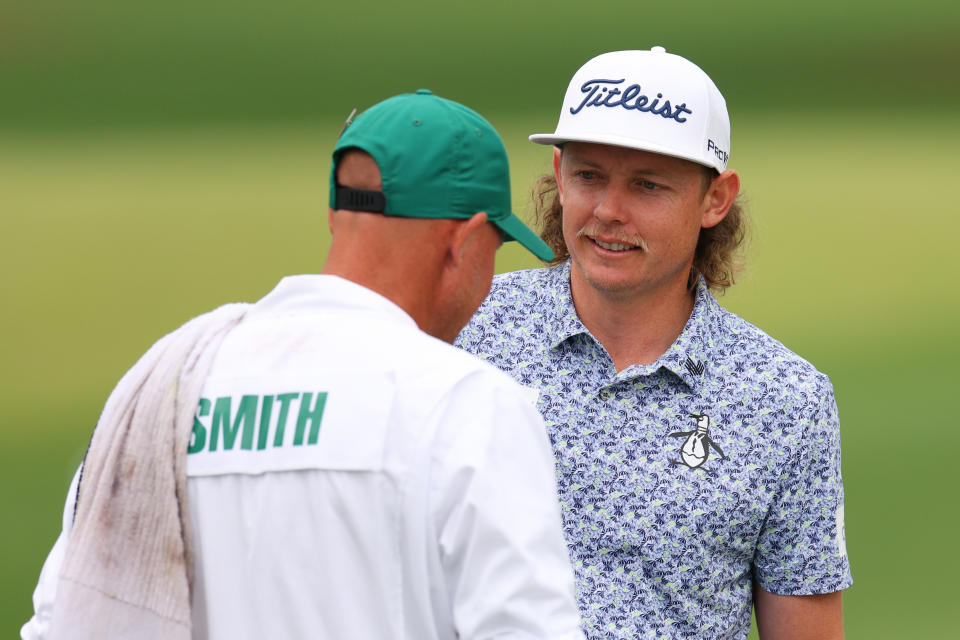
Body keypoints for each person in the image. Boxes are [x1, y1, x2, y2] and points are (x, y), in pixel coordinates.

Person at [22, 90, 584, 640]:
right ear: (461, 244)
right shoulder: (468, 403)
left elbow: (58, 620)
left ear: (336, 217)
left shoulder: (164, 385)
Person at [456, 48, 852, 639]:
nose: (609, 211)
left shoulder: (785, 400)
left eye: (648, 185)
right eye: (589, 176)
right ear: (559, 173)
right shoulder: (464, 331)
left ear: (715, 198)